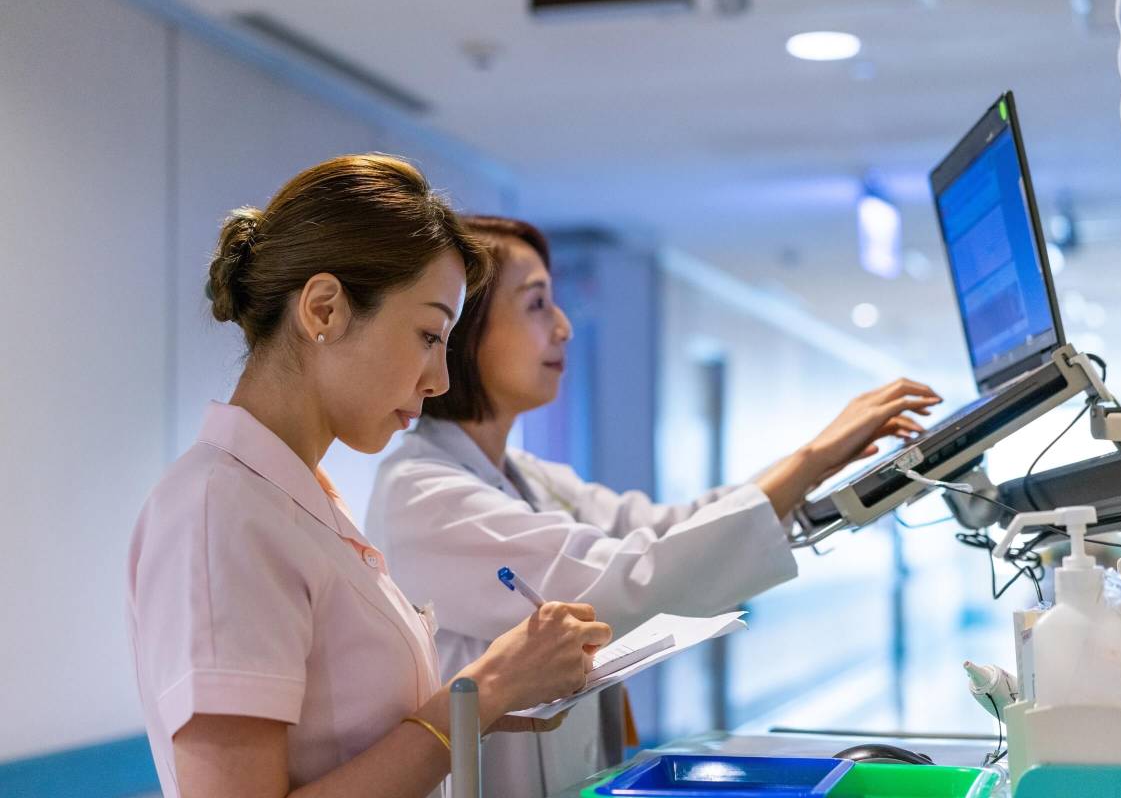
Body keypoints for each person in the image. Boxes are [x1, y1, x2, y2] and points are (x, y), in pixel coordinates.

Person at [365, 215, 943, 797]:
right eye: (536, 304)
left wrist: (814, 464)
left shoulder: (528, 477)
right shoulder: (425, 495)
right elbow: (633, 580)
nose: (563, 327)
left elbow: (666, 529)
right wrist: (814, 458)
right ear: (462, 330)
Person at [126, 160, 611, 798]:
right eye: (429, 334)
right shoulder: (223, 512)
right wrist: (483, 690)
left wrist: (504, 691)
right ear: (323, 309)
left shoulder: (299, 501)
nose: (439, 378)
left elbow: (350, 742)